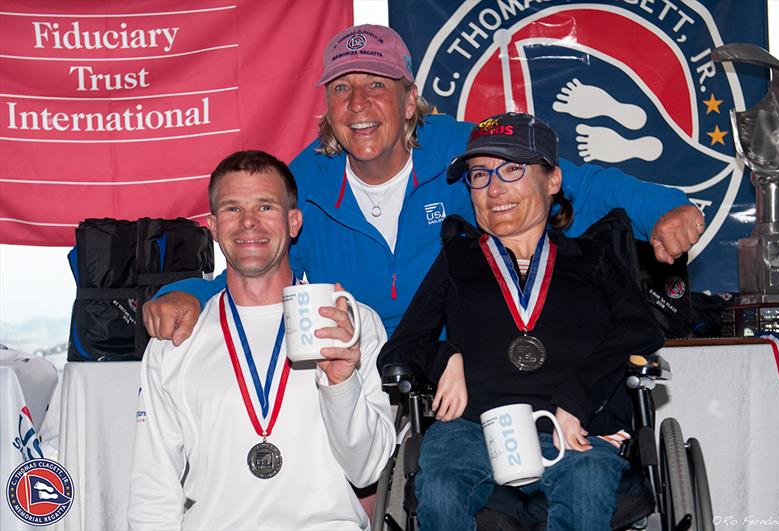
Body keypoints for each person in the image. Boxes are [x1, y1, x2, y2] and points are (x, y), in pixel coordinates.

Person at [142, 24, 704, 347]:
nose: (358, 104)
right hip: (351, 369)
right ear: (327, 108)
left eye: (376, 86)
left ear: (410, 99)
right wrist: (185, 294)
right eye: (341, 89)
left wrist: (662, 208)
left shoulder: (469, 152)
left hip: (462, 362)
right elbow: (253, 267)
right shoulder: (303, 181)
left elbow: (577, 185)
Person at [377, 112, 665, 530]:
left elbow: (643, 332)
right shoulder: (459, 260)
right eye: (479, 175)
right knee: (438, 488)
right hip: (475, 429)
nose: (494, 189)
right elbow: (398, 350)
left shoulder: (593, 259)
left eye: (512, 170)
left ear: (552, 180)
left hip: (574, 426)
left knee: (586, 486)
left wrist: (578, 397)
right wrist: (445, 358)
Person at [127, 151, 394, 530]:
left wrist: (341, 385)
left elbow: (367, 469)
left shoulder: (349, 324)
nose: (249, 222)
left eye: (265, 206)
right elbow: (153, 486)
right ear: (213, 226)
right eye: (233, 209)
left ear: (294, 221)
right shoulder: (176, 339)